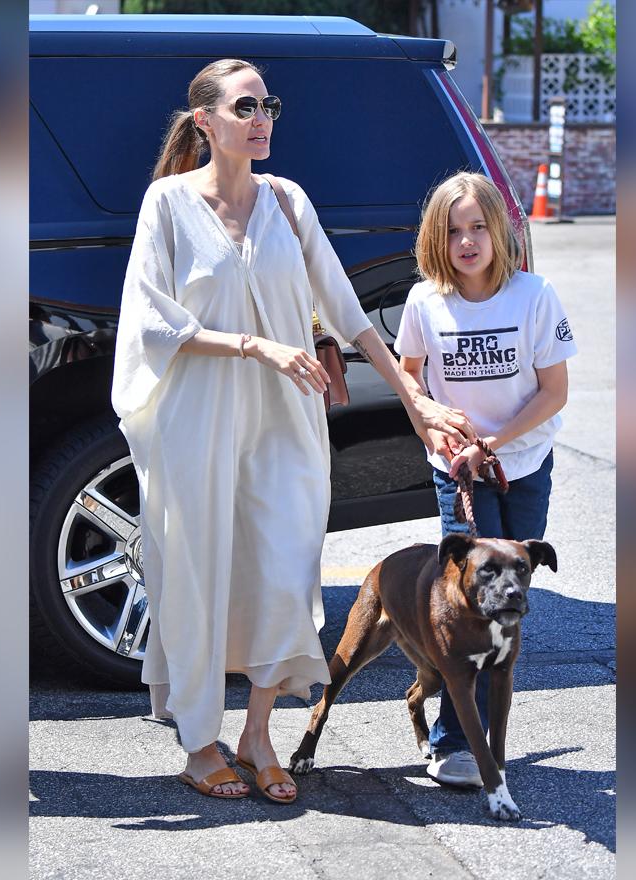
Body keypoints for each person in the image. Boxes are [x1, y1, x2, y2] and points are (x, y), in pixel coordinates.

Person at [111, 59, 472, 803]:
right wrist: (253, 345)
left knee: (283, 571)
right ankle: (202, 742)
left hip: (283, 418)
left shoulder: (288, 200)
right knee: (200, 570)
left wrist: (419, 405)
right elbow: (149, 319)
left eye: (267, 104)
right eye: (245, 106)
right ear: (206, 121)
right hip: (197, 415)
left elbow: (347, 314)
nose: (262, 117)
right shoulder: (168, 204)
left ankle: (258, 733)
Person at [393, 171, 577, 787]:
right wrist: (434, 430)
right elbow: (410, 376)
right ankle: (452, 743)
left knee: (508, 601)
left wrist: (492, 443)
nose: (466, 242)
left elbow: (554, 393)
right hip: (458, 472)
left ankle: (489, 739)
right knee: (462, 602)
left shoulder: (535, 294)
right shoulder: (425, 303)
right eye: (453, 232)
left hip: (521, 466)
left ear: (499, 231)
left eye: (477, 228)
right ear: (435, 239)